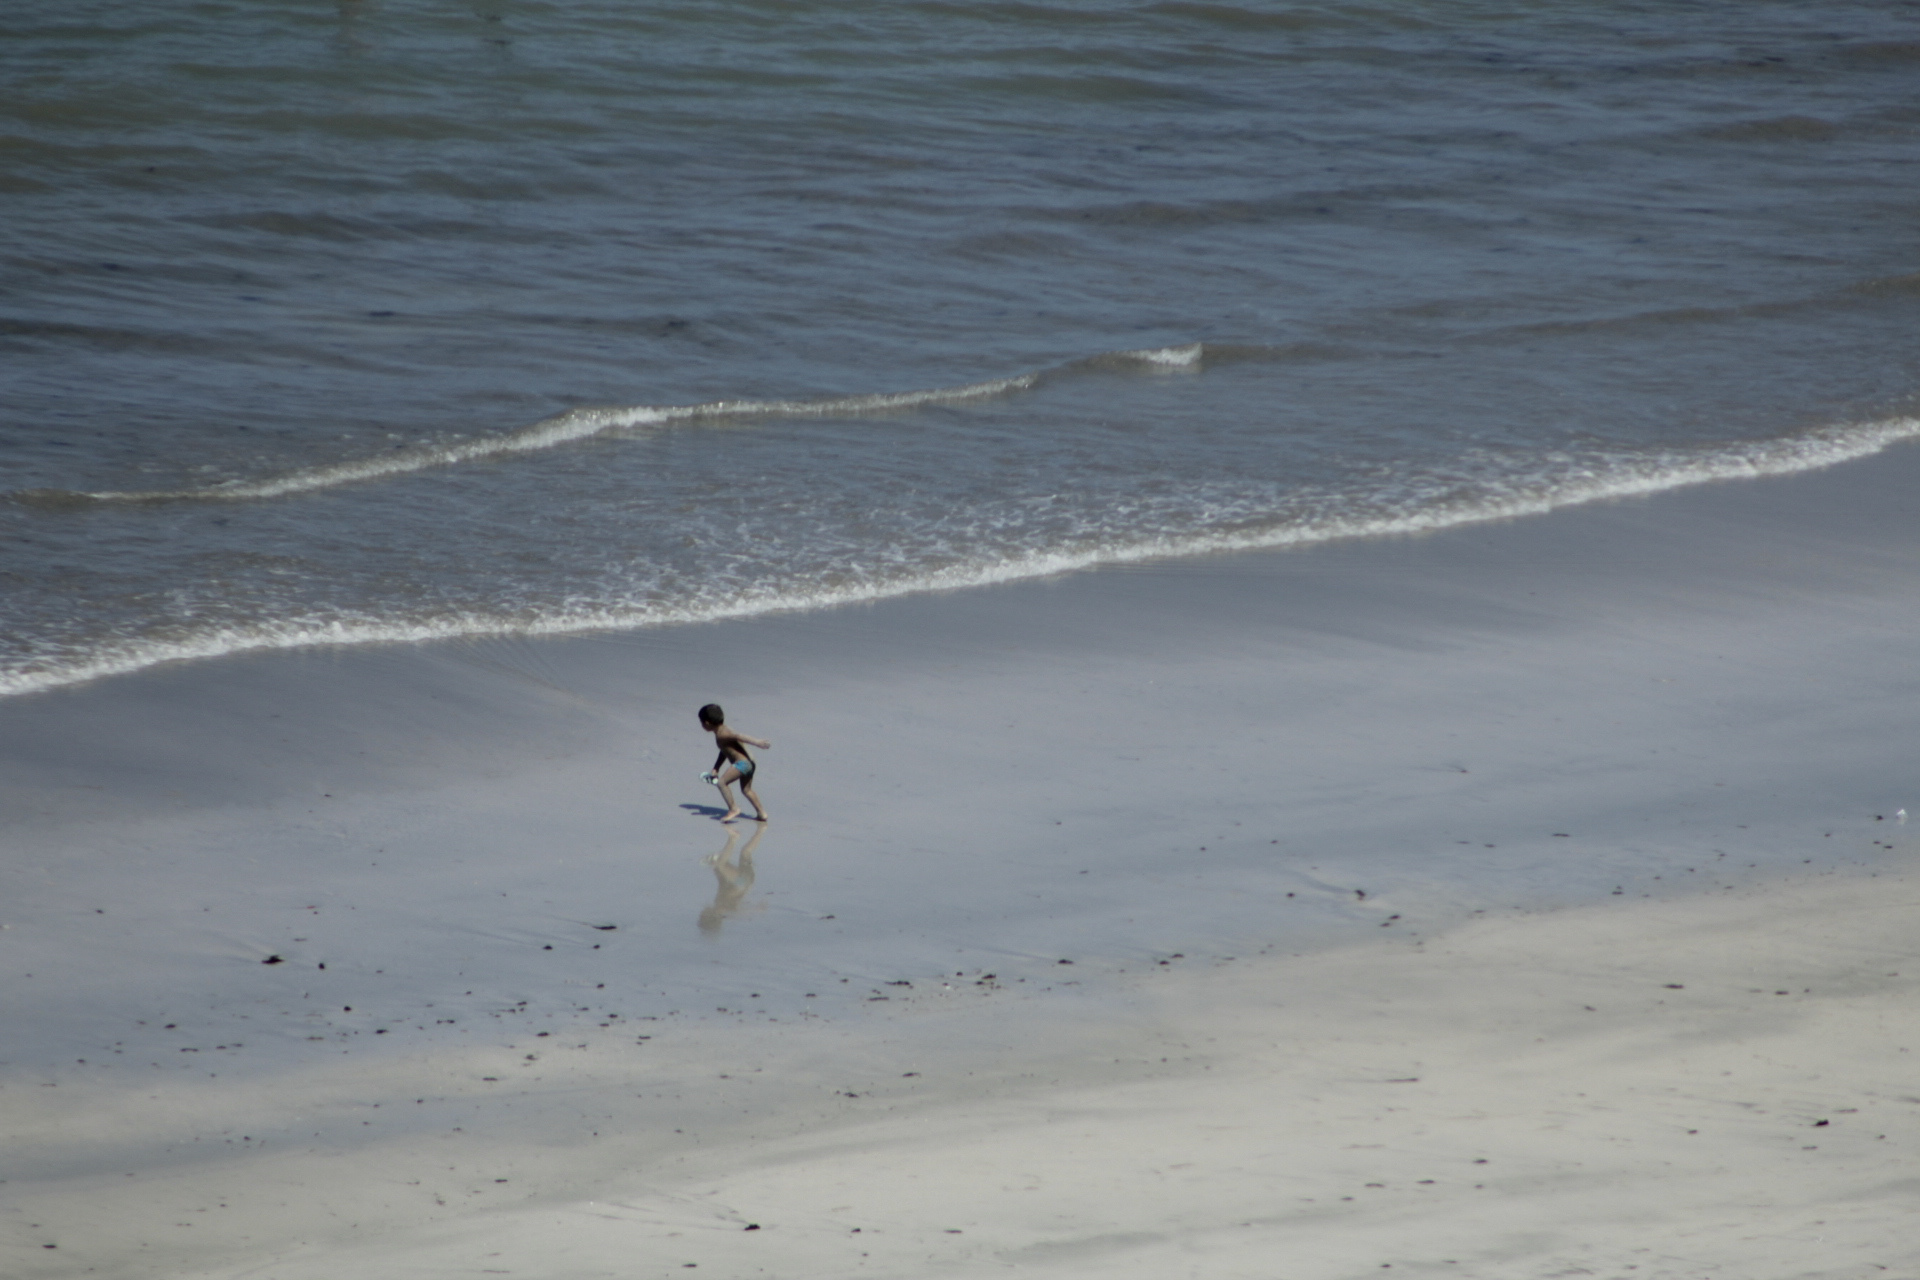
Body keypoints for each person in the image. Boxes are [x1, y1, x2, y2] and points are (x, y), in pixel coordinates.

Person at [697, 703, 769, 822]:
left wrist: (758, 742)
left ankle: (733, 809)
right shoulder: (722, 731)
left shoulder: (722, 734)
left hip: (743, 764)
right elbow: (724, 751)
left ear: (707, 723)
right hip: (750, 763)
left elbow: (738, 736)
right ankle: (762, 813)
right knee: (747, 790)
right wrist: (716, 768)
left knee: (722, 783)